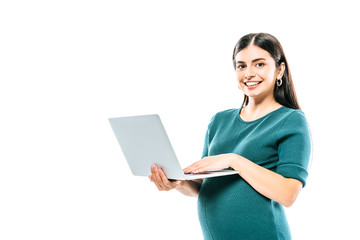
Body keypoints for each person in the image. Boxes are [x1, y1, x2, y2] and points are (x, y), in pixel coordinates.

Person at [149, 32, 312, 240]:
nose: (249, 73)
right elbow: (202, 187)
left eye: (259, 64)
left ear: (280, 70)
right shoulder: (219, 121)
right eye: (241, 66)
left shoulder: (290, 120)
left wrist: (233, 160)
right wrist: (179, 183)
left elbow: (288, 194)